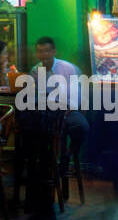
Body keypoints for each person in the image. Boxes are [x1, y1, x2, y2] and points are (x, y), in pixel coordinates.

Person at [31, 36, 90, 170]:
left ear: (54, 52)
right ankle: (46, 165)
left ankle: (68, 155)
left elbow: (77, 94)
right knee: (35, 129)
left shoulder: (67, 68)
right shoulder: (35, 71)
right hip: (47, 112)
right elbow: (34, 94)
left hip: (68, 109)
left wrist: (69, 107)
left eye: (47, 51)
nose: (43, 55)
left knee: (82, 127)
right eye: (40, 51)